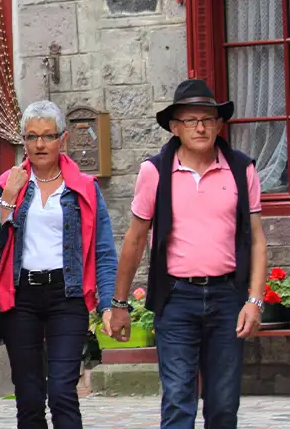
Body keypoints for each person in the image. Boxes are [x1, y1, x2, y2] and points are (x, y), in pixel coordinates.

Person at [108, 79, 267, 429]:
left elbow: (256, 240)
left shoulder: (242, 170)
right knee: (179, 402)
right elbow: (134, 240)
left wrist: (254, 301)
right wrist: (119, 304)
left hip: (228, 299)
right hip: (177, 299)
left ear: (219, 125)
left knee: (224, 407)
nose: (200, 127)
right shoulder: (155, 172)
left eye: (208, 119)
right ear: (175, 127)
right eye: (191, 120)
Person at [0, 100, 118, 429]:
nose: (40, 144)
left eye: (48, 136)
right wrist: (7, 200)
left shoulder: (83, 189)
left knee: (61, 393)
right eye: (31, 137)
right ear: (23, 141)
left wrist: (108, 303)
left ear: (63, 139)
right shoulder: (8, 184)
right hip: (20, 298)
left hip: (67, 297)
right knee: (28, 397)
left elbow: (103, 251)